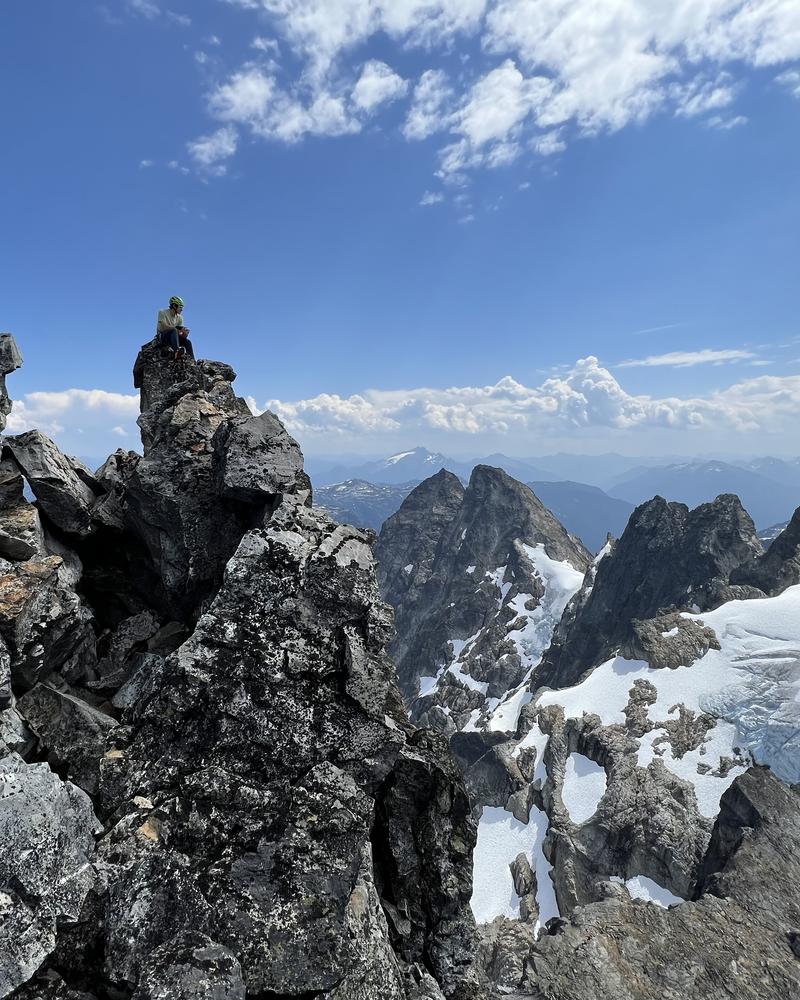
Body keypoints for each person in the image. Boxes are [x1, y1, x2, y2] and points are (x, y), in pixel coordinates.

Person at [157, 296, 195, 360]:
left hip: (173, 338)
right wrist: (177, 329)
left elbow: (178, 334)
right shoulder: (162, 312)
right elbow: (164, 326)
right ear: (174, 306)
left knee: (187, 342)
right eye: (180, 307)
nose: (182, 309)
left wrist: (184, 334)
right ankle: (177, 352)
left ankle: (192, 360)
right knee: (173, 330)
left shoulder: (180, 318)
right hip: (162, 337)